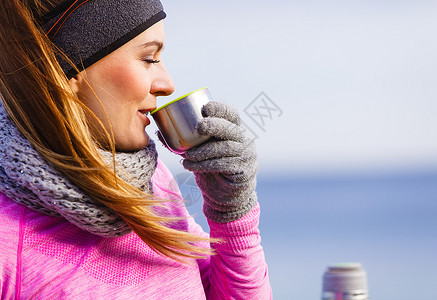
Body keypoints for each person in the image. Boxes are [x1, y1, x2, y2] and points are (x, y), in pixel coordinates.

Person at [0, 0, 271, 298]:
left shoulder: (152, 184)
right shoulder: (8, 241)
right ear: (70, 69)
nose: (168, 84)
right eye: (149, 58)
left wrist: (231, 213)